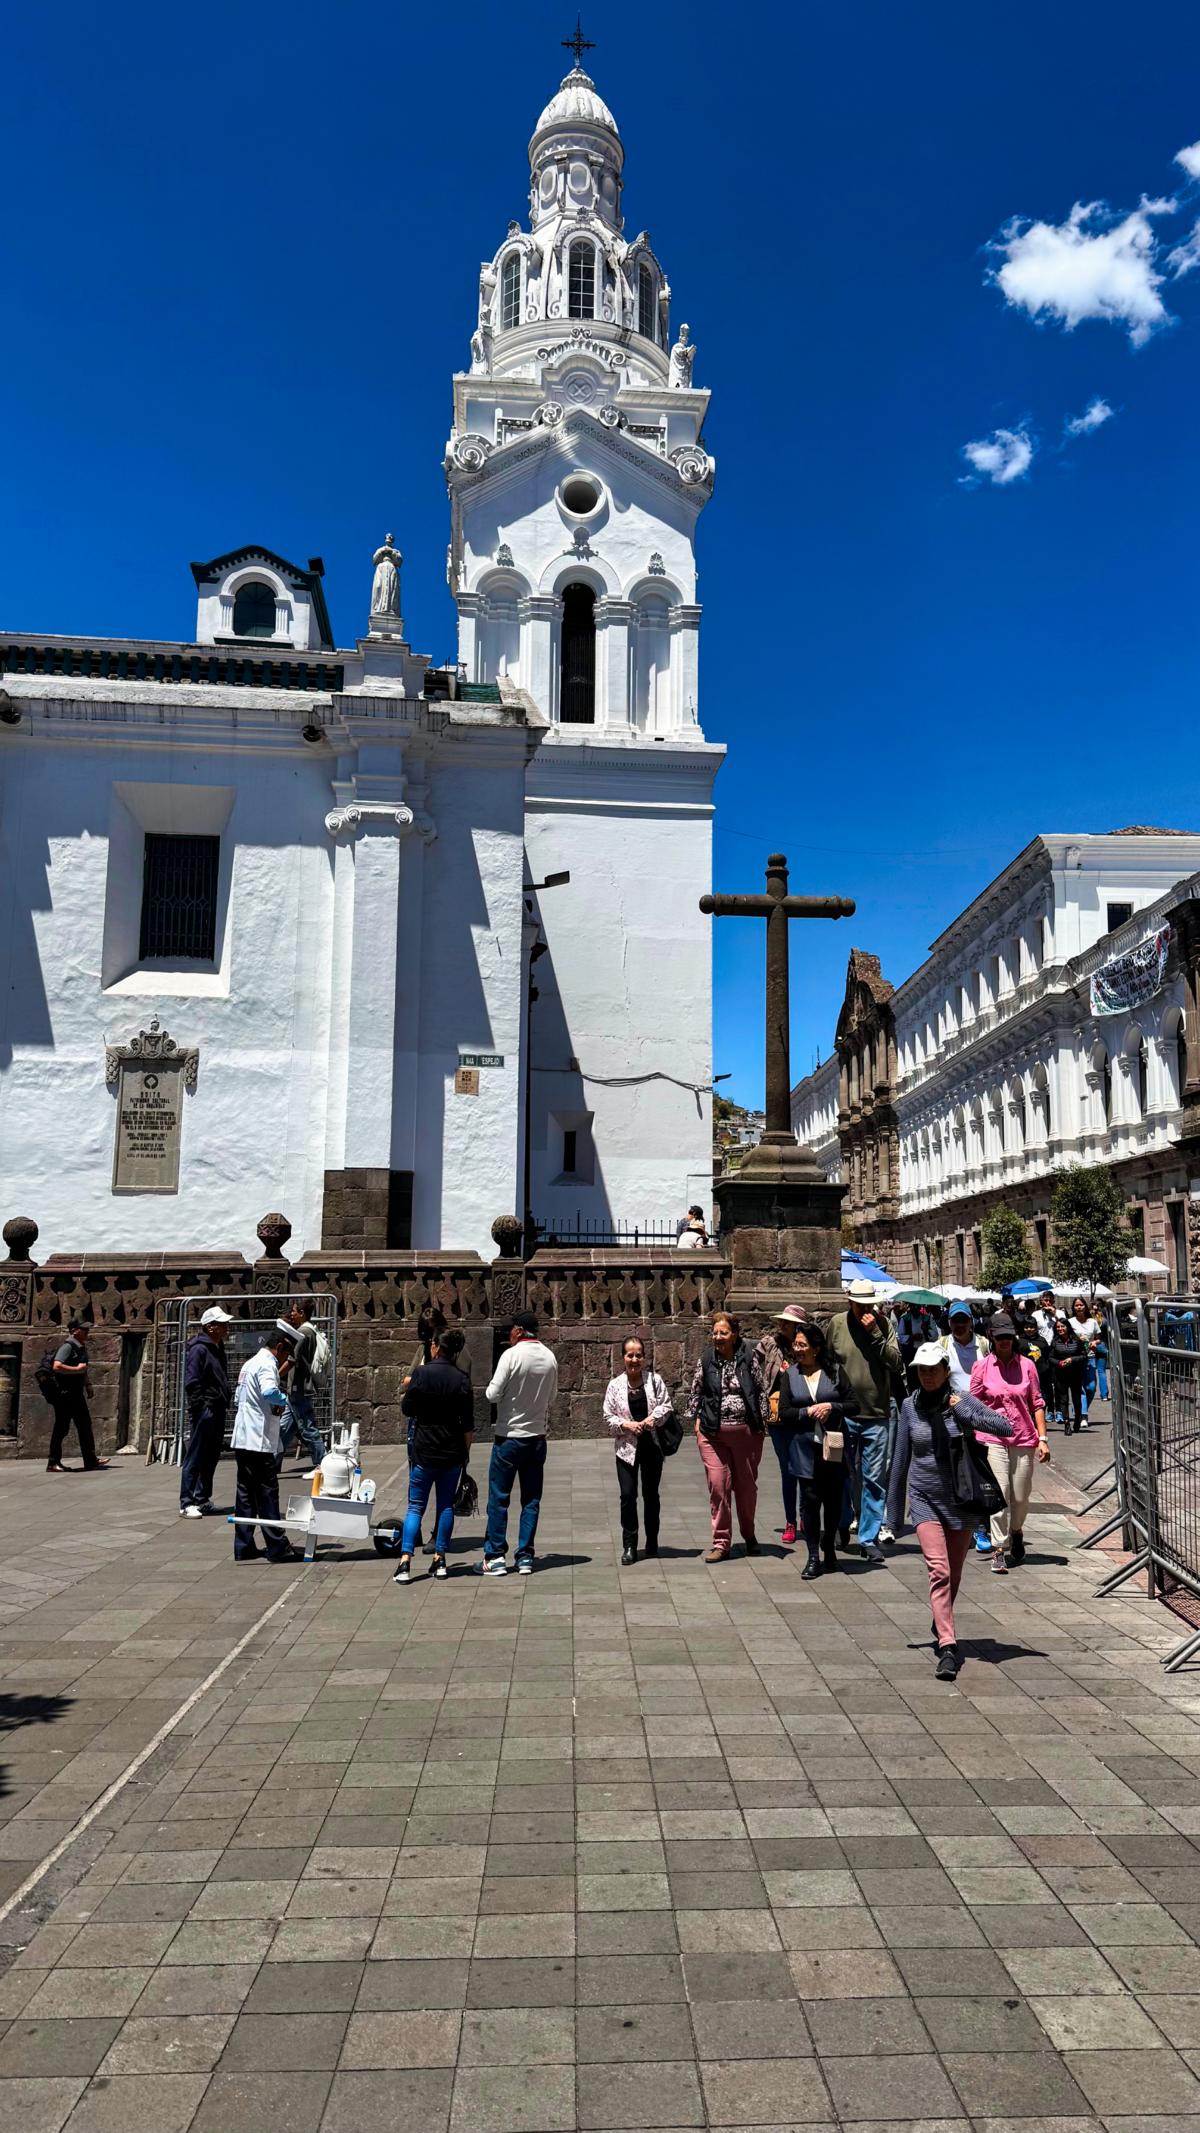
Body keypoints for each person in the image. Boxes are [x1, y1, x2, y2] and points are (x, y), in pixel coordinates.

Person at [886, 1341, 1016, 1680]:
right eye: (922, 1370)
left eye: (934, 1370)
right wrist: (893, 1516)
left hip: (961, 1499)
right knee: (940, 1571)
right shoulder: (909, 1406)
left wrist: (966, 1414)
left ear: (946, 1371)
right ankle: (947, 1645)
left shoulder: (962, 1400)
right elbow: (900, 1460)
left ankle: (939, 1617)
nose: (928, 1376)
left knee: (953, 1574)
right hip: (924, 1498)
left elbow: (1006, 1427)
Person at [825, 1280, 905, 1565]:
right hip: (844, 1414)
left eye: (868, 1304)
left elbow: (897, 1362)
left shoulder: (882, 1325)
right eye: (859, 1305)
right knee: (842, 1474)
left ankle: (868, 1538)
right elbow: (827, 1362)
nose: (864, 1310)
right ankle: (842, 1522)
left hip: (877, 1414)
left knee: (874, 1479)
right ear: (850, 1302)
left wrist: (875, 1334)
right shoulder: (837, 1324)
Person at [969, 1313, 1050, 1572]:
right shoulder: (981, 1367)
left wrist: (1043, 1439)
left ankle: (1016, 1531)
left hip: (1023, 1437)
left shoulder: (1027, 1366)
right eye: (999, 1336)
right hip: (992, 1438)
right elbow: (974, 1404)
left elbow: (1037, 1403)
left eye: (1008, 1336)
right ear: (991, 1337)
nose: (1004, 1341)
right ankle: (998, 1548)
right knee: (1000, 1492)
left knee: (1020, 1496)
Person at [393, 1327, 473, 1584]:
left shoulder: (421, 1374)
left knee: (415, 1506)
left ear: (437, 1347)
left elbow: (407, 1408)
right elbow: (468, 1425)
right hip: (452, 1451)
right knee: (445, 1506)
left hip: (424, 1449)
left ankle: (405, 1561)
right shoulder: (462, 1379)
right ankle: (440, 1559)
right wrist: (465, 1455)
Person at [481, 1313, 558, 1575]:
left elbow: (492, 1394)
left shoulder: (511, 1356)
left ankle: (495, 1556)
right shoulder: (549, 1357)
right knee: (531, 1499)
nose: (508, 1335)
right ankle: (525, 1556)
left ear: (519, 1330)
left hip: (509, 1437)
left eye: (510, 1330)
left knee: (499, 1498)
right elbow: (552, 1397)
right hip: (536, 1438)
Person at [686, 1311, 765, 1563]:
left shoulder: (748, 1358)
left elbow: (760, 1390)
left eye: (723, 1332)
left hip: (745, 1434)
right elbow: (696, 1391)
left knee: (746, 1490)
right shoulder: (707, 1359)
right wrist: (696, 1421)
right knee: (718, 1486)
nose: (718, 1337)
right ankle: (721, 1543)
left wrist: (762, 1424)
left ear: (735, 1335)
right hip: (712, 1434)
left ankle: (749, 1534)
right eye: (715, 1332)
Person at [776, 1316, 851, 1579]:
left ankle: (829, 1547)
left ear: (816, 1348)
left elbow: (853, 1404)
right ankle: (812, 1556)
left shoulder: (835, 1372)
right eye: (795, 1344)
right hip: (803, 1447)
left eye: (802, 1345)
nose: (797, 1349)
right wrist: (807, 1412)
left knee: (832, 1501)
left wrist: (832, 1407)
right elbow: (784, 1412)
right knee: (809, 1501)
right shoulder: (790, 1375)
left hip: (832, 1445)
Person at [230, 1323, 301, 1562]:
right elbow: (270, 1391)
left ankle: (243, 1546)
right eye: (285, 1354)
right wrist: (284, 1400)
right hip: (258, 1440)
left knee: (245, 1494)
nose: (284, 1360)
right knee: (267, 1493)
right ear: (279, 1347)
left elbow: (238, 1397)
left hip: (243, 1437)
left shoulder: (250, 1363)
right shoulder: (267, 1364)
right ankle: (277, 1546)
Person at [604, 1334, 674, 1563]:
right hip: (626, 1449)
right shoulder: (615, 1385)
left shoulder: (655, 1380)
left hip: (652, 1446)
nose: (634, 1360)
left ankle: (652, 1541)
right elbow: (608, 1417)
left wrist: (653, 1418)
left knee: (651, 1495)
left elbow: (666, 1406)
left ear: (644, 1357)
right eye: (630, 1355)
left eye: (638, 1355)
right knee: (627, 1496)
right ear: (623, 1357)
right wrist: (626, 1425)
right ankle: (629, 1545)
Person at [180, 1305, 233, 1516]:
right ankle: (187, 1502)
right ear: (210, 1326)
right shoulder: (199, 1349)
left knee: (211, 1455)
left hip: (217, 1407)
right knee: (196, 1454)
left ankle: (202, 1498)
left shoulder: (217, 1347)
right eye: (222, 1324)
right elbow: (192, 1381)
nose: (226, 1327)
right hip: (206, 1408)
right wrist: (201, 1406)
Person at [756, 1306, 803, 1543]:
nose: (783, 1325)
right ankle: (790, 1521)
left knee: (806, 1469)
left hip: (803, 1413)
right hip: (778, 1416)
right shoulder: (769, 1344)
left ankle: (805, 1515)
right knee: (787, 1469)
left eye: (788, 1322)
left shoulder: (806, 1346)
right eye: (782, 1321)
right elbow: (755, 1369)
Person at [47, 1321, 109, 1473]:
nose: (87, 1331)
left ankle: (91, 1460)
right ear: (75, 1331)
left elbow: (83, 1368)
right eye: (84, 1329)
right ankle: (53, 1462)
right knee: (62, 1428)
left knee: (84, 1425)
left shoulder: (80, 1347)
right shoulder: (68, 1346)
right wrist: (77, 1369)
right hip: (65, 1395)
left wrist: (88, 1384)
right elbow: (57, 1366)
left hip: (75, 1393)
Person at [276, 1298, 327, 1475]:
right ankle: (272, 1463)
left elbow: (292, 1360)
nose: (292, 1313)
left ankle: (322, 1462)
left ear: (302, 1313)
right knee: (284, 1428)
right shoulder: (311, 1330)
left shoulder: (303, 1333)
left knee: (307, 1426)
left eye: (294, 1310)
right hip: (296, 1387)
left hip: (298, 1386)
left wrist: (275, 1375)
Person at [1048, 1312, 1088, 1432]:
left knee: (1076, 1399)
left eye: (1062, 1326)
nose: (1060, 1329)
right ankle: (1066, 1423)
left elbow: (1084, 1356)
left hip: (1075, 1374)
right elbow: (1050, 1358)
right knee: (1063, 1399)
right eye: (1058, 1327)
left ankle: (1077, 1419)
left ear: (1068, 1327)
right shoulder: (1055, 1342)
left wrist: (1072, 1359)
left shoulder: (1076, 1340)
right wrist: (1059, 1363)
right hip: (1061, 1375)